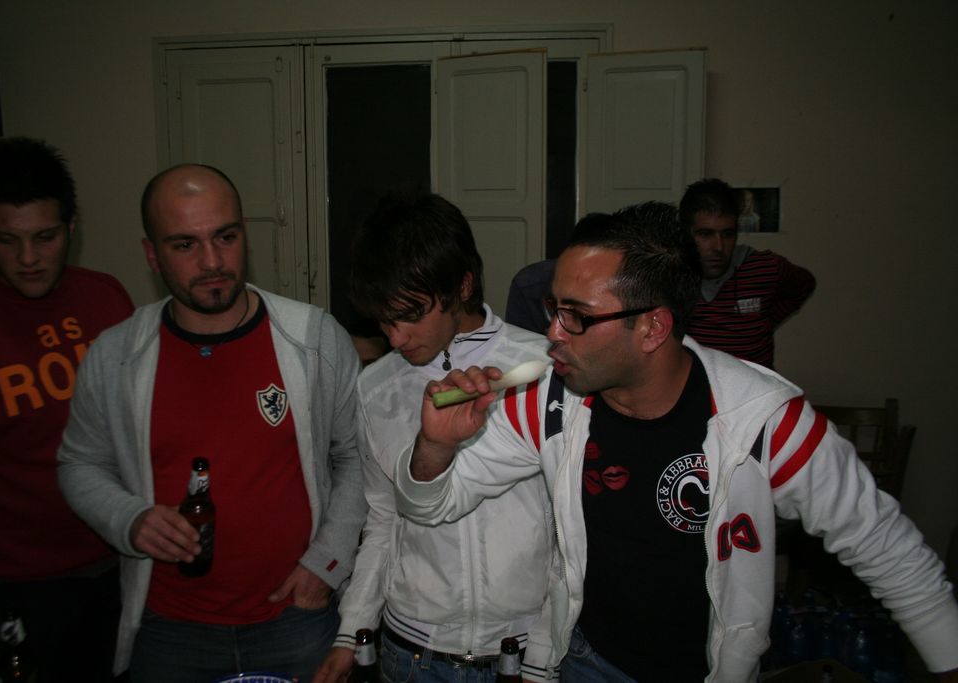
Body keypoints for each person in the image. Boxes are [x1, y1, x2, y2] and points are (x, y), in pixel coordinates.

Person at [394, 202, 958, 681]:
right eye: (553, 308)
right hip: (585, 661)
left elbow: (888, 548)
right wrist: (436, 446)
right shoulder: (547, 403)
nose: (552, 333)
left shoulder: (763, 423)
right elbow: (430, 506)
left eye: (576, 316)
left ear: (653, 328)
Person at [56, 163, 366, 683]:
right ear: (152, 255)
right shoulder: (116, 356)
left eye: (226, 237)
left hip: (296, 615)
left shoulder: (313, 338)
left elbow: (357, 455)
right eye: (185, 245)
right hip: (169, 630)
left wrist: (328, 563)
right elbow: (79, 464)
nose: (212, 261)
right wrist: (129, 518)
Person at [313, 192, 552, 683]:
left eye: (410, 314)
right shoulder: (376, 386)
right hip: (412, 654)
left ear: (462, 285)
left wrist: (548, 649)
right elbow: (382, 518)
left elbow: (572, 527)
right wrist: (352, 629)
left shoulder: (541, 366)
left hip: (523, 651)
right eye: (384, 319)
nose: (396, 337)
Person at [0, 137, 134, 682]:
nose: (27, 259)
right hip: (13, 581)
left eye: (45, 237)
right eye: (7, 240)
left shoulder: (106, 298)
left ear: (72, 226)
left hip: (114, 556)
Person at [680, 178, 815, 368]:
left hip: (757, 382)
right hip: (699, 383)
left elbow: (805, 284)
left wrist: (765, 322)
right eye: (705, 234)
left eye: (728, 234)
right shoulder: (672, 274)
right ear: (687, 234)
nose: (718, 247)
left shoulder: (764, 267)